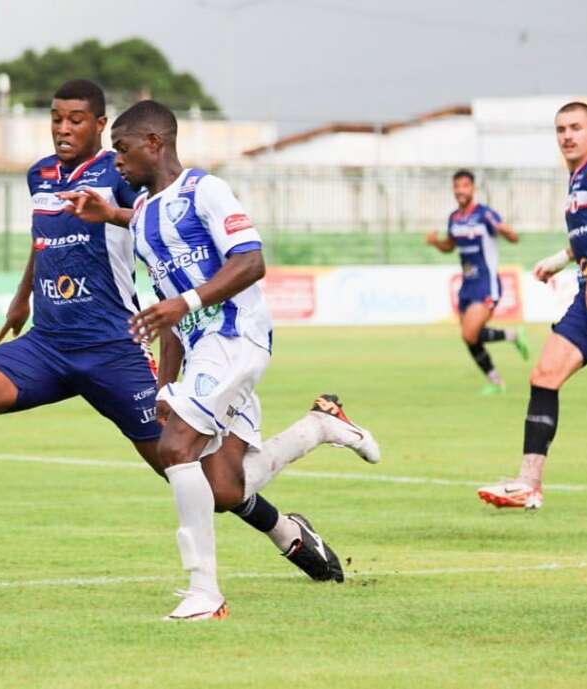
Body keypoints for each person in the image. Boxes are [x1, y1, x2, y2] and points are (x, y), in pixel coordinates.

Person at [0, 80, 358, 590]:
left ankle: (287, 531)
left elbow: (157, 209)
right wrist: (24, 294)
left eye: (75, 120)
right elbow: (42, 238)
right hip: (47, 343)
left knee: (207, 483)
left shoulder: (123, 170)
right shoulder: (40, 175)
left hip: (114, 350)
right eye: (55, 119)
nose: (62, 129)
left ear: (100, 125)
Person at [62, 99, 380, 620]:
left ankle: (205, 593)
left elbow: (251, 261)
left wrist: (183, 305)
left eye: (122, 149)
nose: (116, 161)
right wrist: (165, 387)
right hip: (201, 349)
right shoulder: (141, 216)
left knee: (175, 449)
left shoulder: (204, 190)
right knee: (225, 488)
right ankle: (318, 428)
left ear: (155, 143)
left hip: (237, 337)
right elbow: (167, 320)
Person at [478, 101, 587, 510]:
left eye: (576, 128)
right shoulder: (578, 178)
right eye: (561, 129)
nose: (567, 136)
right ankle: (529, 483)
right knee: (544, 375)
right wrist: (562, 259)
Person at [425, 170, 528, 394]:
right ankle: (497, 379)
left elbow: (513, 237)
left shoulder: (485, 214)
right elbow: (450, 247)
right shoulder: (454, 218)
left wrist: (505, 230)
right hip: (467, 285)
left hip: (486, 284)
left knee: (469, 334)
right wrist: (435, 243)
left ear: (473, 188)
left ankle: (509, 345)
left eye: (465, 186)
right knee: (470, 337)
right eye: (457, 186)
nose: (461, 190)